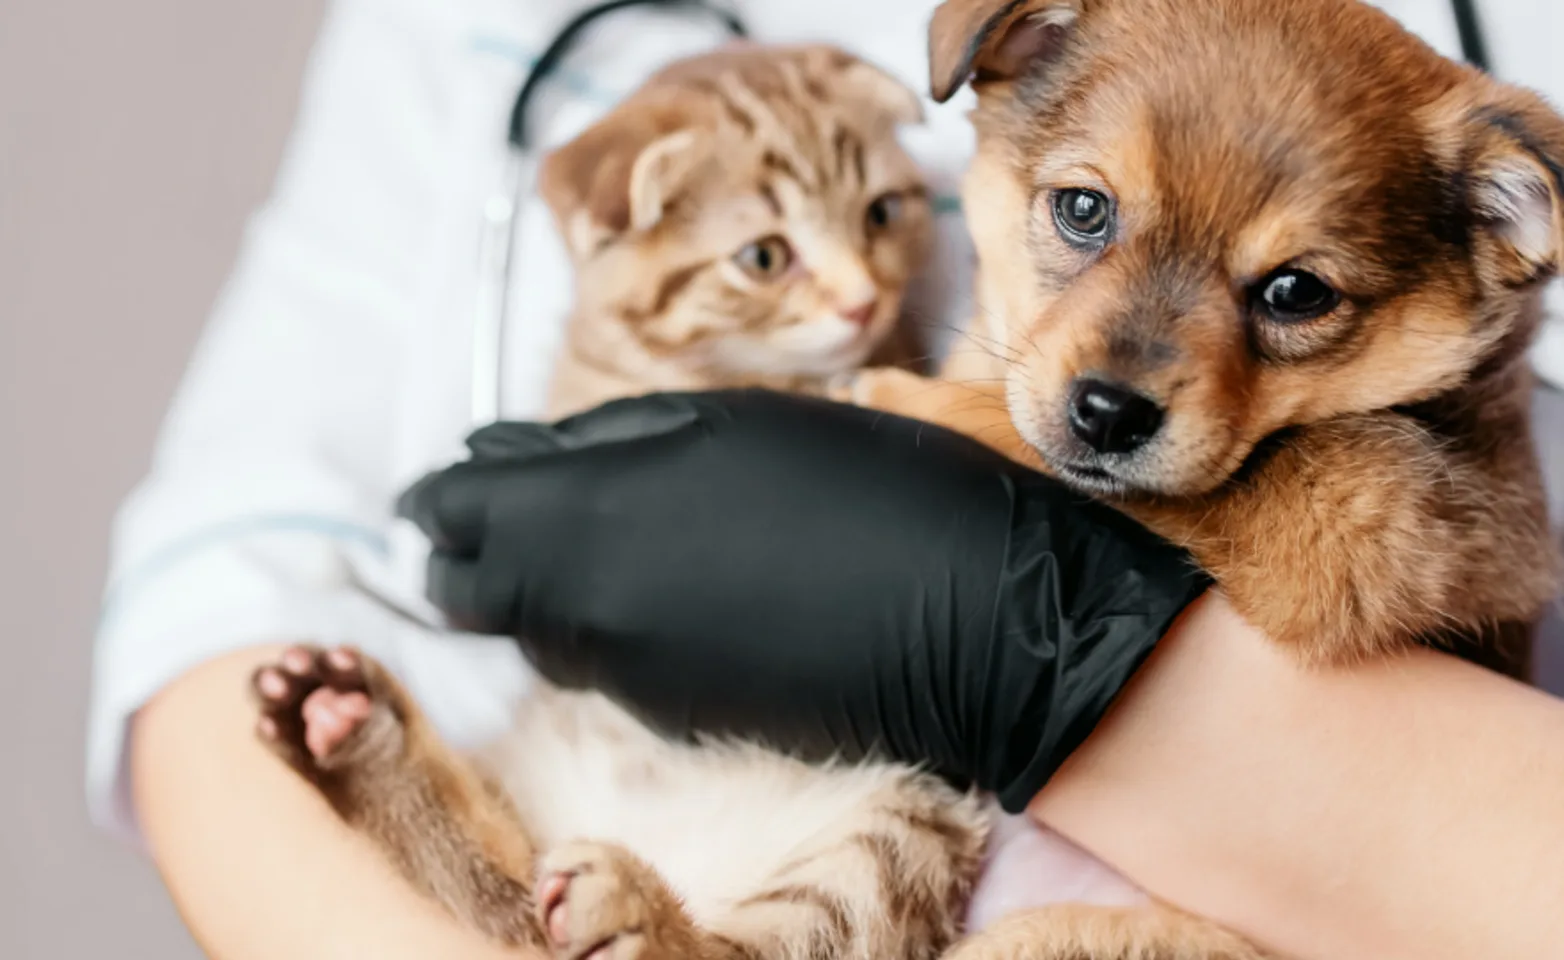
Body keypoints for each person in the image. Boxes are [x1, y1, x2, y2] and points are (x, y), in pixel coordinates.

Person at [93, 0, 1564, 957]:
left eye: (1293, 294)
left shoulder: (1483, 151)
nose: (1128, 369)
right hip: (588, 857)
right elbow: (222, 609)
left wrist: (1053, 651)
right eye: (1082, 216)